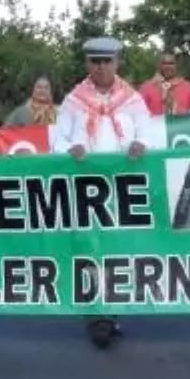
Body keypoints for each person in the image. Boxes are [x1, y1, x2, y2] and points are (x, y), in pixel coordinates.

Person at [52, 36, 151, 348]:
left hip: (123, 186)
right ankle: (97, 314)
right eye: (95, 61)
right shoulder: (73, 101)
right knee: (90, 249)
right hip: (86, 187)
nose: (101, 67)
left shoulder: (133, 100)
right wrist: (72, 148)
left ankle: (114, 308)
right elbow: (57, 139)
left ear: (117, 63)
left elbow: (148, 132)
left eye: (107, 61)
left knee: (117, 247)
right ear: (87, 65)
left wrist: (141, 145)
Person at [139, 51, 190, 116]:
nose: (167, 67)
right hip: (155, 127)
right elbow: (136, 111)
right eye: (164, 63)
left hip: (180, 126)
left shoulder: (187, 86)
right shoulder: (147, 87)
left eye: (171, 63)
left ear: (176, 65)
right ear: (159, 65)